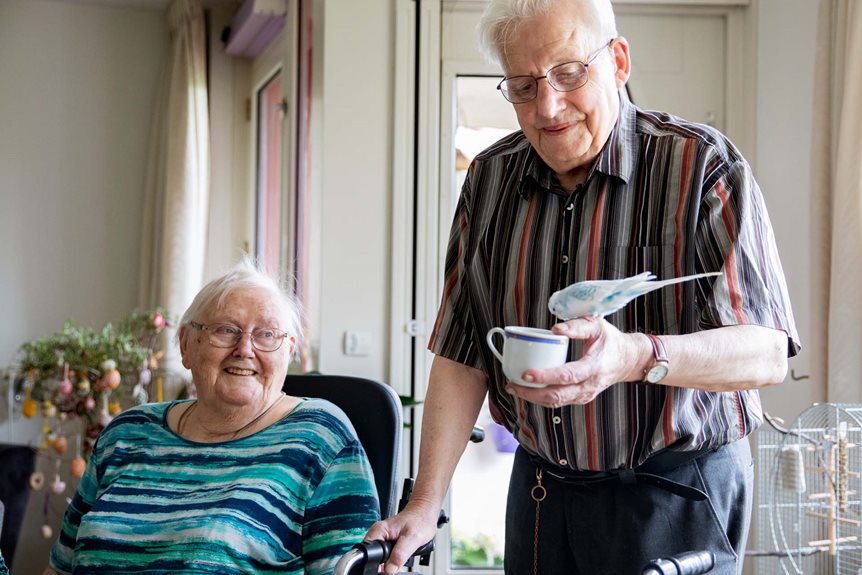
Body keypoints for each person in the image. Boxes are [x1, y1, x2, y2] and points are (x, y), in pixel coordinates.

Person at [366, 0, 800, 573]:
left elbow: (767, 352)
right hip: (543, 492)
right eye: (523, 87)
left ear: (618, 62)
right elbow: (463, 350)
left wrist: (635, 355)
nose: (548, 107)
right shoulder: (490, 179)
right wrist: (424, 503)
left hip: (678, 494)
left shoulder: (701, 166)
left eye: (569, 74)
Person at [44, 259, 379, 575]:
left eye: (266, 335)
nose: (245, 349)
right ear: (186, 345)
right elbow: (61, 568)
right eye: (226, 330)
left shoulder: (319, 436)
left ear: (288, 352)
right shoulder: (128, 432)